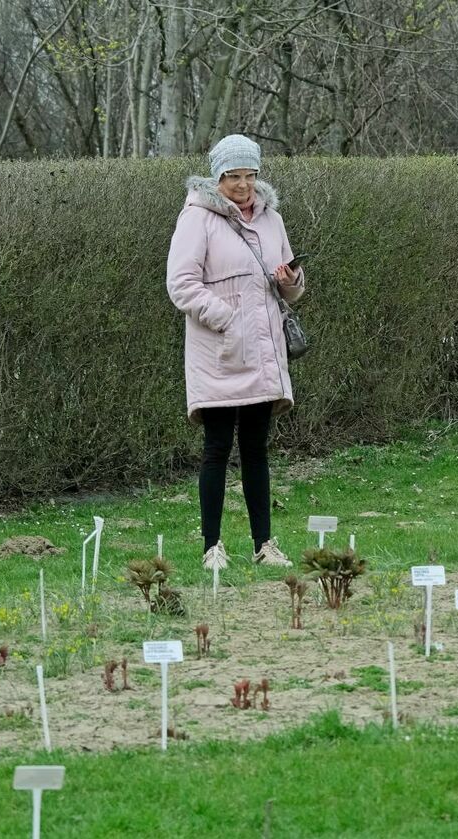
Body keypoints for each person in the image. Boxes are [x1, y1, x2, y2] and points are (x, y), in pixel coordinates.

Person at [165, 134, 304, 570]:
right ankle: (212, 547)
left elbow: (288, 288)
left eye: (250, 175)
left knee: (257, 450)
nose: (243, 185)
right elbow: (181, 285)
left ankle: (265, 545)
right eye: (233, 176)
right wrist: (226, 318)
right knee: (217, 448)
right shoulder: (197, 219)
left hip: (263, 351)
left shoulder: (272, 219)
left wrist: (290, 281)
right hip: (220, 352)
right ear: (217, 176)